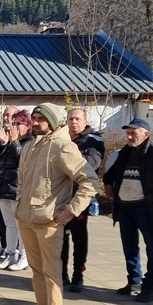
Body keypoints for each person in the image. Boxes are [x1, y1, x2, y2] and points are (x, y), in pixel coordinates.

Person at [14, 103, 99, 305]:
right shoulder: (29, 146)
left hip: (50, 222)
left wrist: (71, 211)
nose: (36, 122)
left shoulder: (63, 146)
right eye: (34, 117)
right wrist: (20, 207)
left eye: (41, 118)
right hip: (27, 219)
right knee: (37, 272)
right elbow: (22, 182)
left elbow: (89, 181)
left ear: (52, 121)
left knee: (52, 276)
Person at [103, 118, 153, 302]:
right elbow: (112, 173)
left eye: (133, 132)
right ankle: (134, 281)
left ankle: (149, 287)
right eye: (127, 132)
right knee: (129, 246)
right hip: (125, 207)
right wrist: (107, 182)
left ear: (146, 134)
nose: (129, 135)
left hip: (147, 208)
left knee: (152, 247)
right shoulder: (125, 152)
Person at [61, 108, 105, 292]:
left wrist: (66, 158)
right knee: (60, 238)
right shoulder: (61, 138)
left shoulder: (93, 141)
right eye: (71, 118)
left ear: (85, 121)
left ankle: (78, 275)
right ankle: (61, 274)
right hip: (60, 196)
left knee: (79, 238)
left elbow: (90, 164)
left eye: (78, 119)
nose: (74, 122)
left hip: (79, 197)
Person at [0, 110, 32, 271]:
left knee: (19, 224)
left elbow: (22, 161)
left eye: (18, 123)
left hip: (18, 188)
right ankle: (10, 253)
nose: (14, 127)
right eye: (13, 123)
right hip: (3, 186)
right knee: (9, 224)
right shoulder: (10, 140)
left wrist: (13, 142)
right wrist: (2, 143)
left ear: (27, 125)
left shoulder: (29, 142)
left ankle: (24, 255)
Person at [0, 105, 19, 259]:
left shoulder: (21, 136)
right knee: (2, 219)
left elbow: (19, 159)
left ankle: (16, 250)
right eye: (5, 115)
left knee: (14, 221)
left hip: (13, 185)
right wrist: (2, 143)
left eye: (10, 115)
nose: (6, 118)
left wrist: (12, 142)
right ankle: (4, 246)